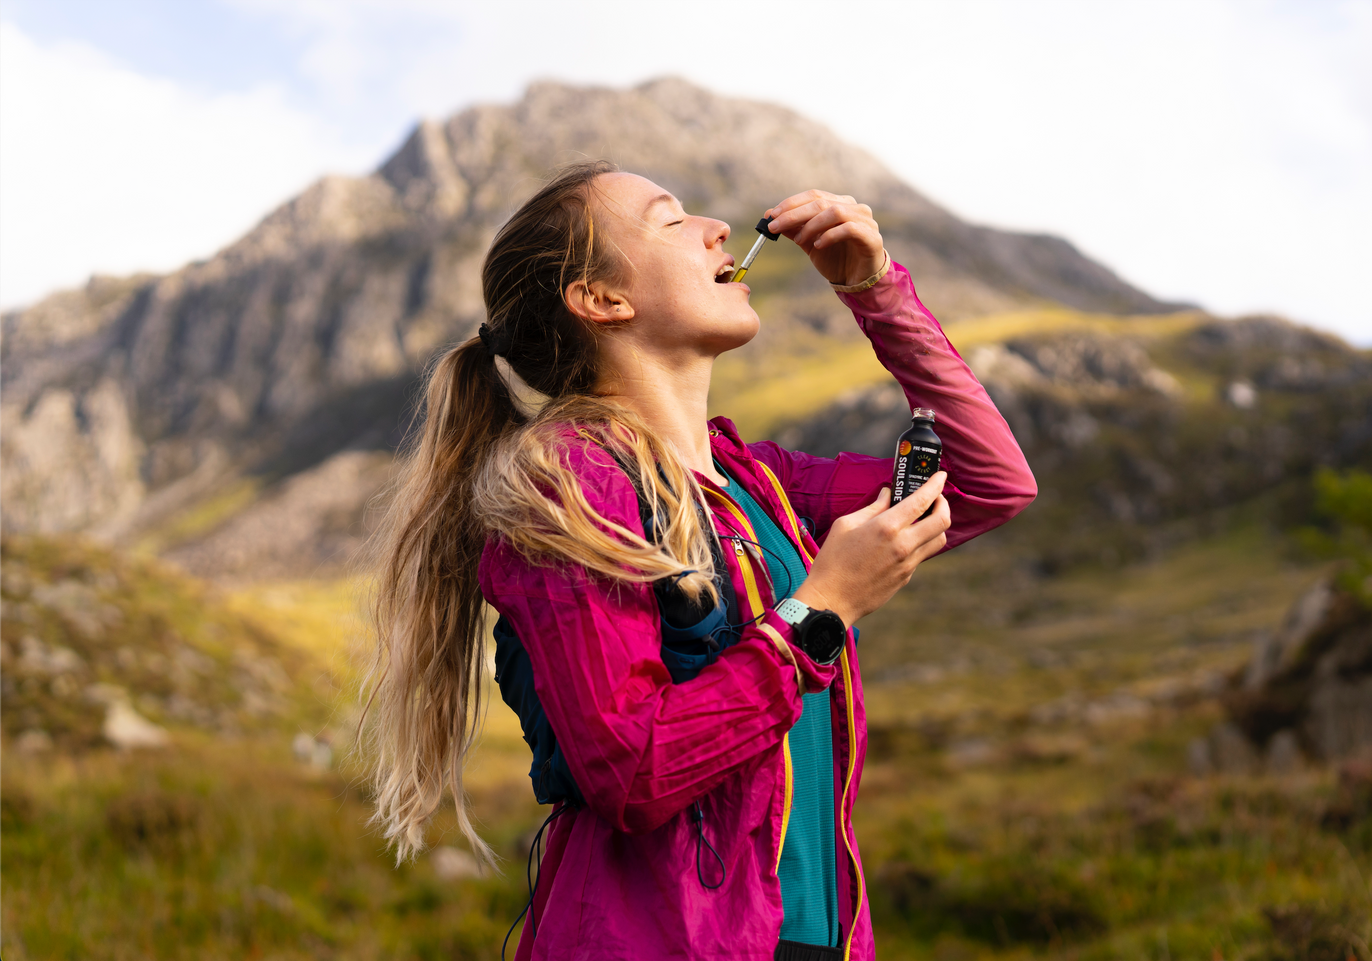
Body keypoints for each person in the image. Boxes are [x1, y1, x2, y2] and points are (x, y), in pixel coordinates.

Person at [364, 160, 1035, 961]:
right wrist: (818, 612)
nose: (717, 227)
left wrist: (876, 291)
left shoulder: (764, 484)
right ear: (602, 299)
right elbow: (630, 768)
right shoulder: (568, 485)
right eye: (669, 218)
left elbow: (990, 481)